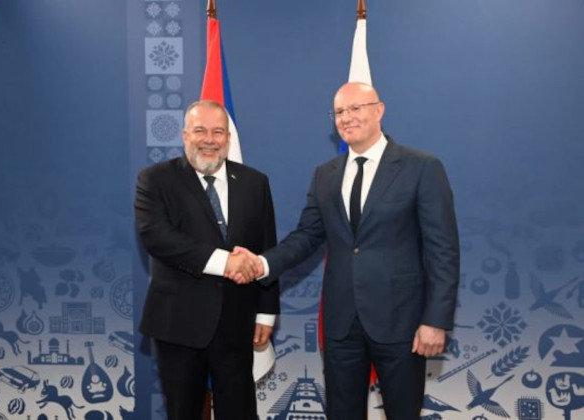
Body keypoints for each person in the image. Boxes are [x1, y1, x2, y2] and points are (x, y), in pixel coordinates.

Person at [231, 82, 460, 419]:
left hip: (402, 323)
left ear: (379, 110)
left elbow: (443, 250)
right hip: (341, 324)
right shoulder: (325, 175)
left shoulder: (421, 167)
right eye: (339, 112)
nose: (347, 117)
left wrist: (436, 320)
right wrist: (262, 263)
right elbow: (306, 236)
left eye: (356, 108)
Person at [135, 100, 280, 420]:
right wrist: (224, 261)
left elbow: (266, 246)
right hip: (178, 322)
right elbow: (157, 238)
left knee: (239, 412)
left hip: (237, 321)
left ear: (228, 138)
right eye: (200, 130)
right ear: (186, 135)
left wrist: (267, 312)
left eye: (218, 132)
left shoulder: (255, 182)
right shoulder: (155, 180)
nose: (209, 139)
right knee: (184, 411)